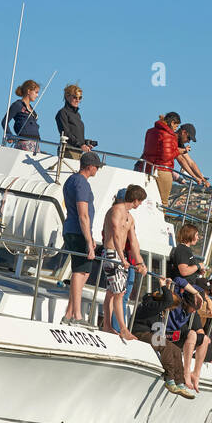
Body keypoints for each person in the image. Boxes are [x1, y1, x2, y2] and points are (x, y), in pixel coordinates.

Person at [101, 184, 148, 341]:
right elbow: (114, 234)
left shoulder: (130, 218)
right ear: (135, 200)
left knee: (112, 292)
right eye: (140, 201)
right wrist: (122, 258)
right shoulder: (116, 211)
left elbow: (133, 242)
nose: (140, 204)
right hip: (111, 254)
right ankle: (123, 329)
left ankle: (107, 326)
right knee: (119, 293)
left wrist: (140, 262)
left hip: (120, 258)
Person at [61, 151, 102, 324]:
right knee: (80, 271)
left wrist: (90, 237)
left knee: (84, 270)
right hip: (78, 232)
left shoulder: (70, 180)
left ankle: (69, 313)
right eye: (97, 167)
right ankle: (77, 315)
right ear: (90, 166)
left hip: (70, 229)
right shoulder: (82, 184)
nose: (97, 170)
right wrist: (89, 241)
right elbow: (83, 215)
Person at [132, 284, 195, 398]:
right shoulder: (151, 305)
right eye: (170, 307)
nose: (169, 310)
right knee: (165, 345)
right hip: (139, 333)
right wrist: (163, 286)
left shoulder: (159, 309)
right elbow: (168, 300)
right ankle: (169, 379)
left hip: (150, 335)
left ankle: (180, 383)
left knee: (175, 349)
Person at [163, 284, 209, 391]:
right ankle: (186, 372)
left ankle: (196, 374)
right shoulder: (178, 301)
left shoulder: (190, 311)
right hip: (167, 334)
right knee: (192, 334)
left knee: (205, 339)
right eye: (194, 308)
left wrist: (202, 297)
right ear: (188, 302)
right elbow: (178, 280)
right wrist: (195, 293)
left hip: (177, 335)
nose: (194, 311)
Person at [138, 112, 182, 205]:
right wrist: (179, 151)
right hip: (163, 170)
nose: (176, 129)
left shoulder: (150, 131)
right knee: (163, 203)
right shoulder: (168, 135)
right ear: (172, 123)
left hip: (147, 168)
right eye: (176, 126)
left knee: (146, 200)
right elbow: (166, 157)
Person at [55, 84, 96, 160]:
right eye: (75, 97)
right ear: (67, 97)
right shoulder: (62, 113)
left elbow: (76, 135)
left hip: (78, 152)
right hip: (67, 151)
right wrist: (81, 145)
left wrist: (86, 143)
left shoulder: (77, 115)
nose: (78, 100)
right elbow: (65, 133)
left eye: (80, 98)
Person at [3, 80, 42, 151]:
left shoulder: (32, 109)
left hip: (36, 143)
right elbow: (4, 122)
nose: (37, 95)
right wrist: (9, 135)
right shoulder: (17, 105)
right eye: (36, 92)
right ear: (28, 91)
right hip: (24, 143)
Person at [168, 223, 207, 288]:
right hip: (184, 289)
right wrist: (198, 266)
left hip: (189, 286)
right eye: (196, 235)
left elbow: (187, 270)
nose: (198, 238)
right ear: (190, 235)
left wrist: (198, 271)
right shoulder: (182, 250)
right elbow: (184, 271)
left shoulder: (186, 249)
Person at [174, 123, 210, 188]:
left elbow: (191, 162)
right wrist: (194, 177)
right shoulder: (173, 139)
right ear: (183, 132)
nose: (188, 141)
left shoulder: (179, 143)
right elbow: (181, 160)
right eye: (188, 138)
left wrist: (203, 179)